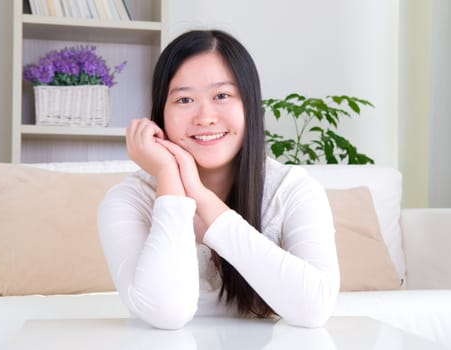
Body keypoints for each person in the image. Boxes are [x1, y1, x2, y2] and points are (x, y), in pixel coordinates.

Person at [97, 29, 340, 330]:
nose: (205, 117)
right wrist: (169, 179)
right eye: (184, 99)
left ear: (249, 105)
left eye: (222, 95)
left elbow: (314, 308)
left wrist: (200, 197)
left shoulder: (292, 190)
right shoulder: (128, 200)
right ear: (160, 114)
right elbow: (166, 312)